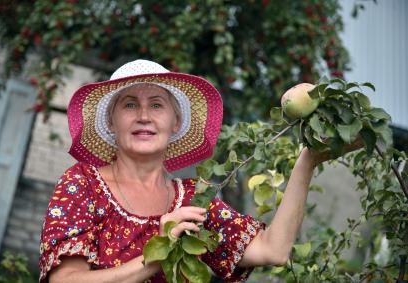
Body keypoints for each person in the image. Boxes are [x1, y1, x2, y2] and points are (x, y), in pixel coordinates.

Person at [38, 59, 362, 283]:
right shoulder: (82, 183)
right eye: (129, 105)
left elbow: (272, 250)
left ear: (175, 122)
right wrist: (156, 254)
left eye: (156, 104)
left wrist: (308, 161)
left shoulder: (192, 199)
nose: (144, 116)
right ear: (112, 122)